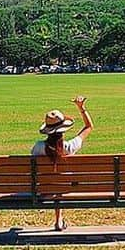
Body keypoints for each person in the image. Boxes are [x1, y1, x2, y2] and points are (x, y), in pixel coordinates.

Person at [31, 95, 93, 231]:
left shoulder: (38, 147)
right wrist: (81, 108)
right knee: (59, 184)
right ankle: (59, 220)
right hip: (66, 187)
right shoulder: (70, 146)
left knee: (54, 182)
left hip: (43, 188)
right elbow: (89, 127)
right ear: (63, 129)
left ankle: (58, 219)